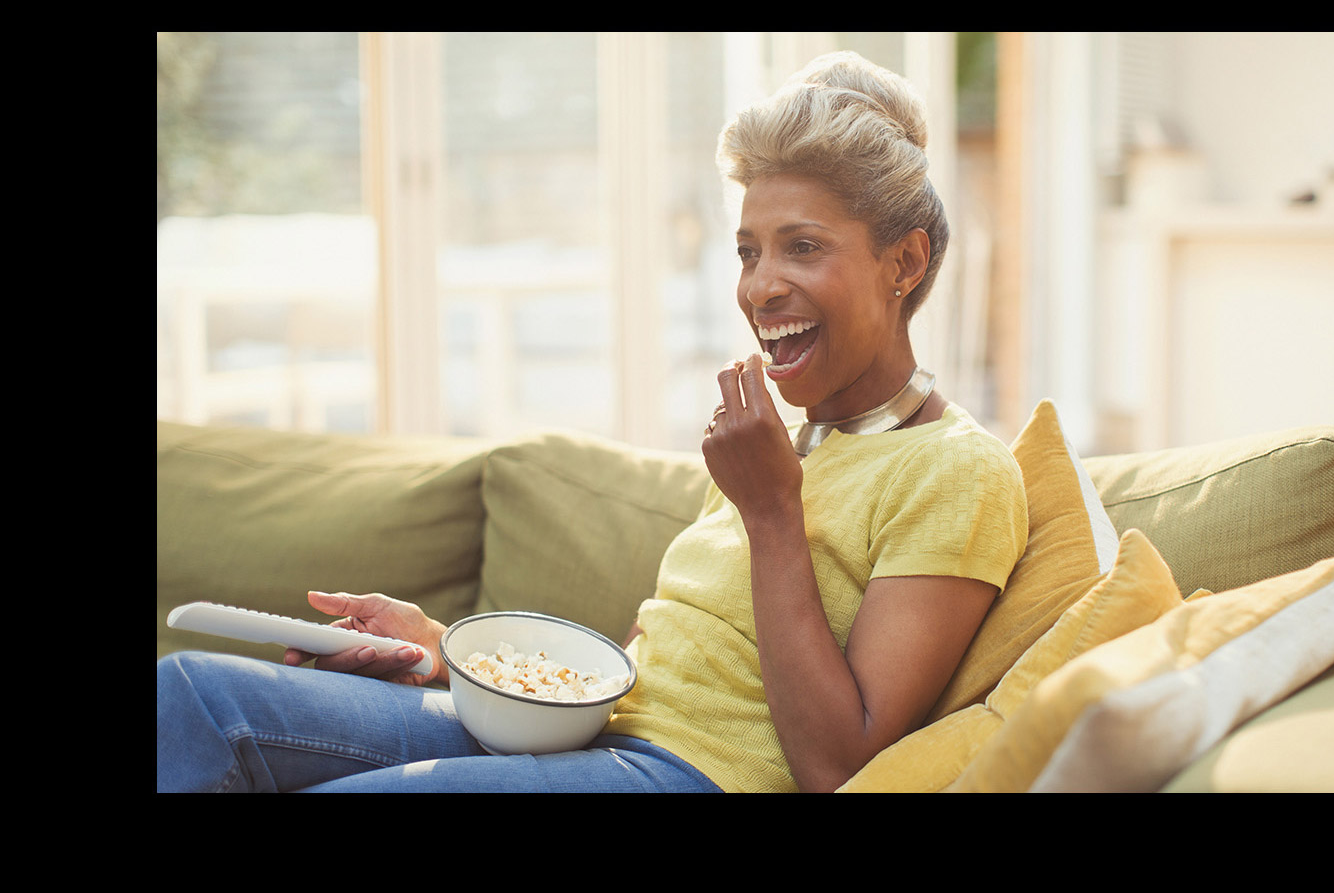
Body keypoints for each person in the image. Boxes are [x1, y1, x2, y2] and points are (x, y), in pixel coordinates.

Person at [156, 50, 1028, 793]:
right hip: (595, 739)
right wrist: (454, 655)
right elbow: (654, 664)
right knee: (192, 693)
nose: (759, 285)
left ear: (904, 260)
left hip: (687, 775)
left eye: (802, 246)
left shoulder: (956, 471)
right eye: (748, 249)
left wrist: (771, 510)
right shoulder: (797, 441)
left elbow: (837, 767)